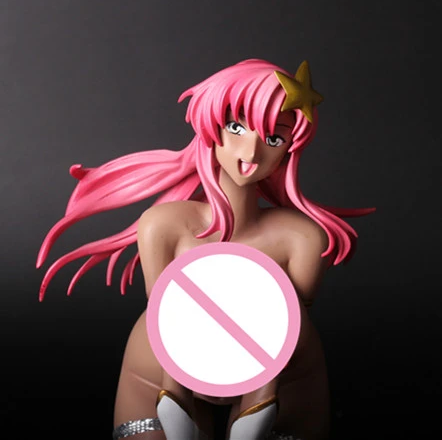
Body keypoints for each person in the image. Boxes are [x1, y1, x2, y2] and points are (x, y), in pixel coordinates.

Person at [37, 58, 375, 440]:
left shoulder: (302, 239)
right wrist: (173, 393)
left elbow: (290, 331)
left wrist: (262, 396)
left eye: (274, 139)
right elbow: (167, 316)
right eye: (236, 127)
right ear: (211, 127)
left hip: (283, 380)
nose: (251, 151)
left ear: (289, 149)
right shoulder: (164, 226)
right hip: (158, 372)